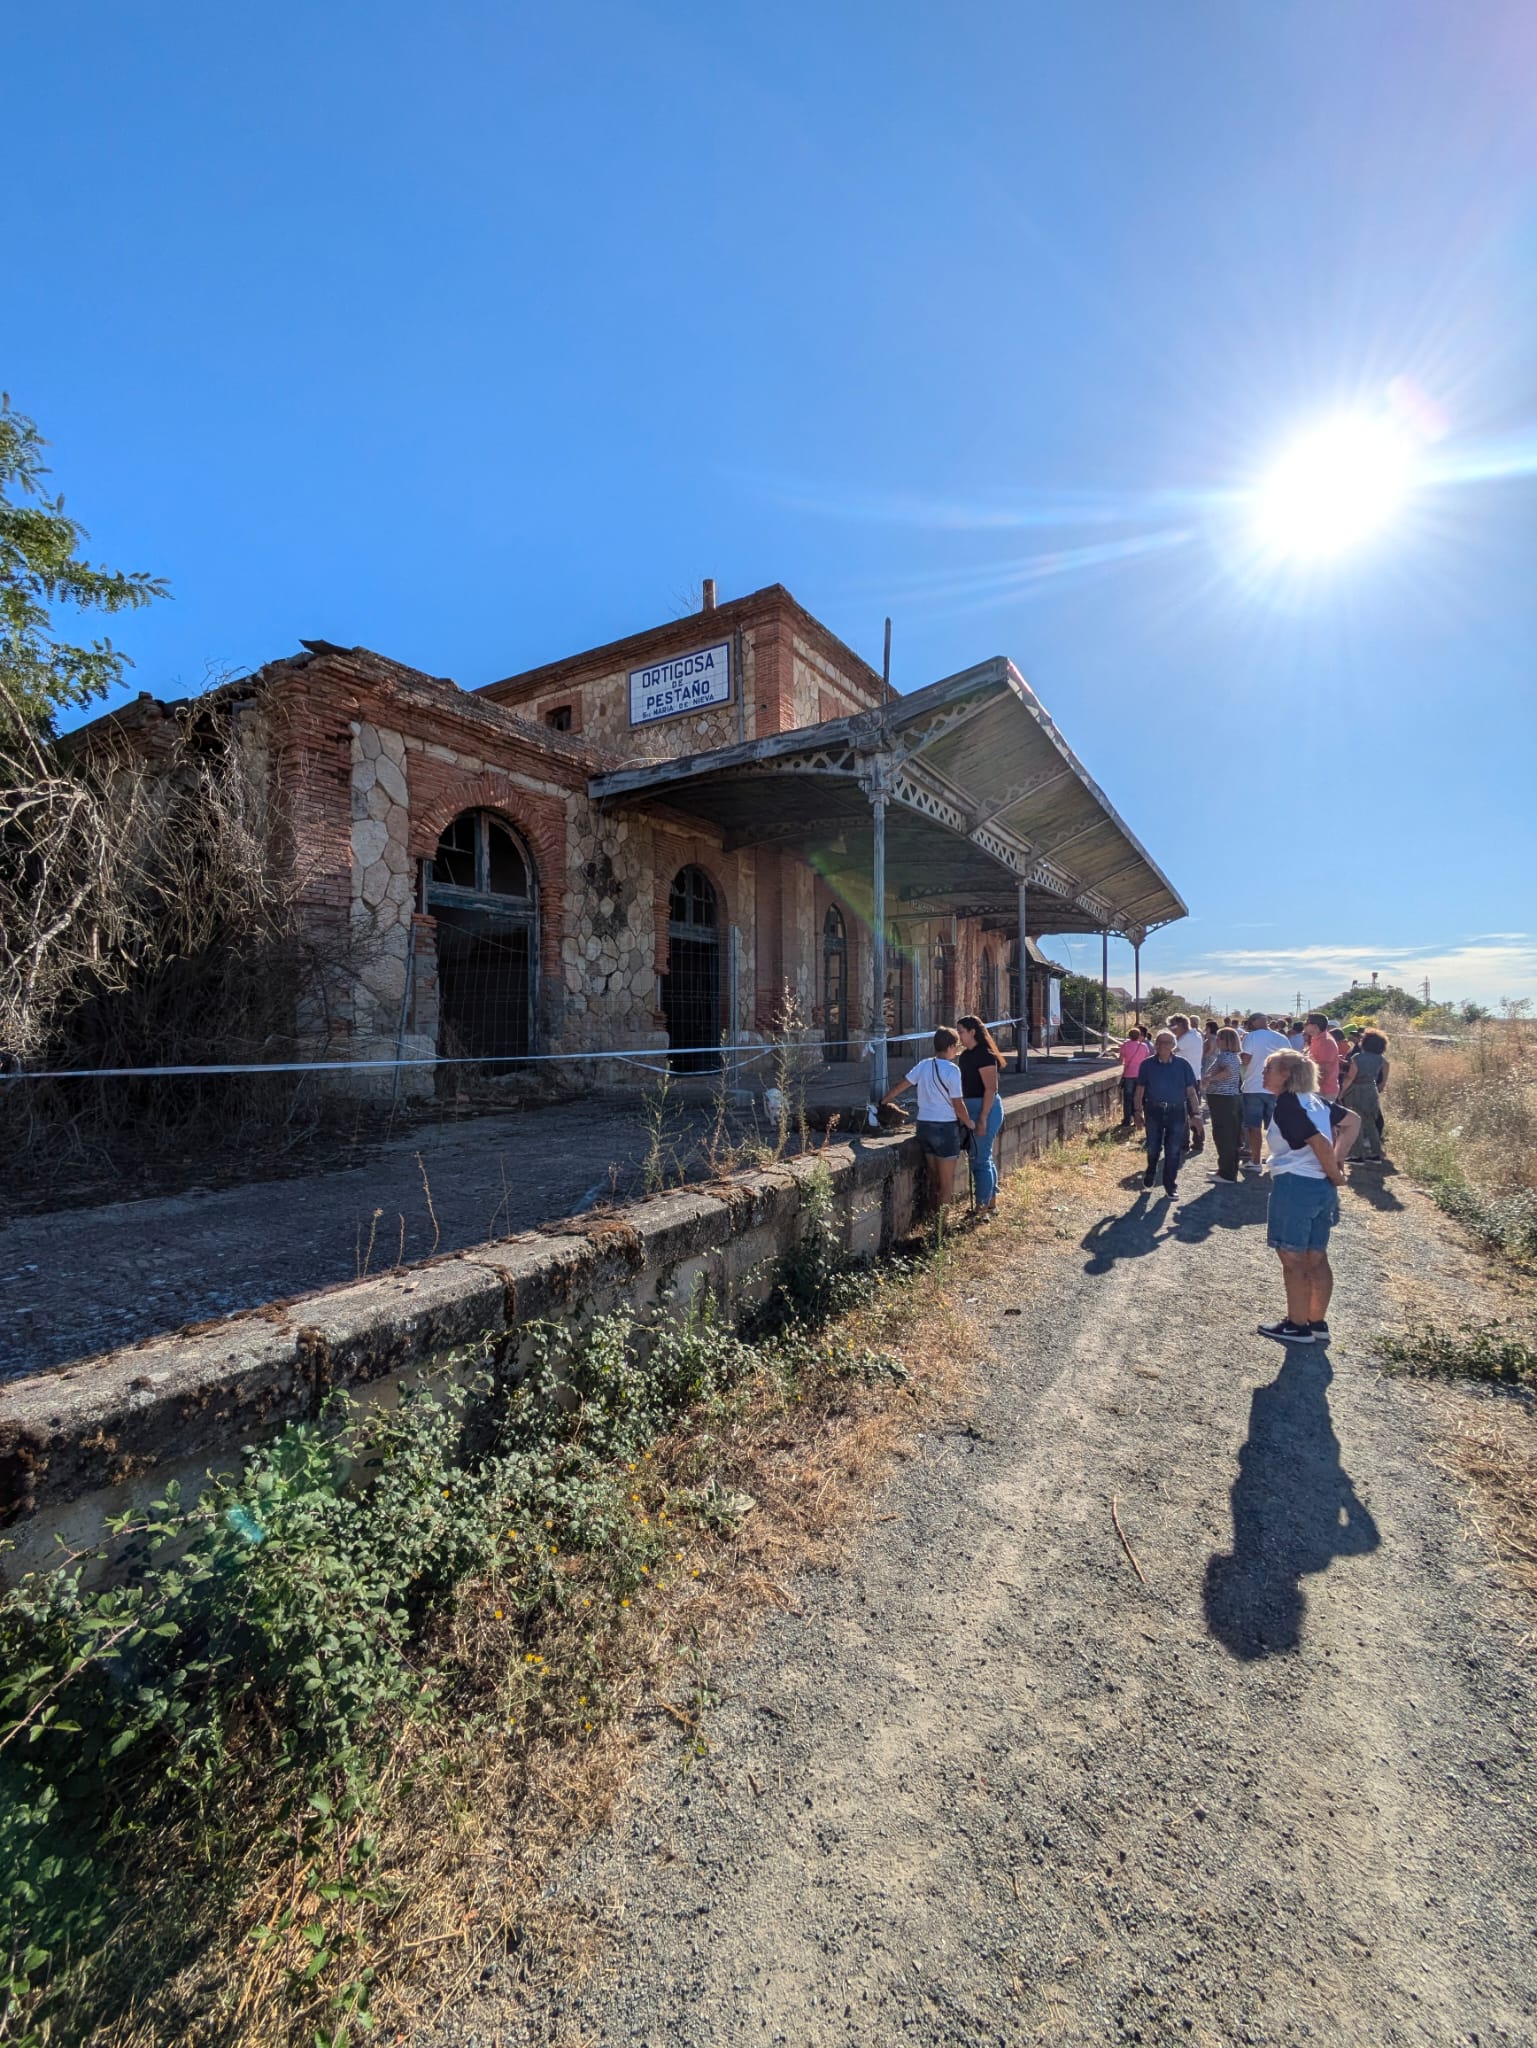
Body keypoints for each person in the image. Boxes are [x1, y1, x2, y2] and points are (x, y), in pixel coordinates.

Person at [1257, 1048, 1361, 1344]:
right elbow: (1352, 1121)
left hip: (1296, 1185)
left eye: (1269, 1069)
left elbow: (1317, 1142)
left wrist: (1336, 1172)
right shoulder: (1316, 1101)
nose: (1264, 1074)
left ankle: (1297, 1325)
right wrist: (1336, 1164)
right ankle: (1316, 1322)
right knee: (1316, 1257)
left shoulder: (1288, 1104)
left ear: (1286, 1074)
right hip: (1319, 1189)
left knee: (1292, 1258)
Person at [879, 1026, 977, 1211]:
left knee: (934, 1178)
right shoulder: (952, 1070)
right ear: (949, 1047)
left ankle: (932, 1215)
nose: (957, 1050)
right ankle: (942, 1225)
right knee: (946, 1183)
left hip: (924, 1127)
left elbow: (902, 1085)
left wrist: (884, 1100)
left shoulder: (924, 1065)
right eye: (956, 1046)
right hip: (945, 1129)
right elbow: (958, 1104)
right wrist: (969, 1122)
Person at [1133, 1029, 1201, 1198]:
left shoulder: (1183, 1065)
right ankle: (1151, 1169)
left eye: (1167, 1043)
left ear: (1173, 1046)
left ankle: (1170, 1185)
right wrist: (1137, 1112)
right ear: (1155, 1045)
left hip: (1177, 1110)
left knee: (1173, 1149)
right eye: (1160, 1042)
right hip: (1153, 1110)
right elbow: (1140, 1090)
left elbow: (1191, 1092)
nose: (1162, 1046)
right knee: (1153, 1146)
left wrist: (1196, 1114)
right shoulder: (1147, 1065)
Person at [956, 1014, 1005, 1217]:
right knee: (983, 1158)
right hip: (973, 1107)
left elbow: (990, 1089)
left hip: (986, 1108)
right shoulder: (967, 1055)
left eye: (961, 1032)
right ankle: (990, 1203)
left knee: (980, 1160)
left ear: (972, 1032)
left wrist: (983, 1118)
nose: (959, 1036)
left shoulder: (984, 1055)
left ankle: (981, 1208)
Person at [1239, 1011, 1290, 1170]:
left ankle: (1255, 1161)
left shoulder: (1252, 1037)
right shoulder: (1282, 1038)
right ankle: (1278, 1159)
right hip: (1277, 1087)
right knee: (1276, 1127)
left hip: (1254, 1085)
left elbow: (1246, 1059)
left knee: (1254, 1127)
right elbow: (1291, 1060)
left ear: (1254, 1022)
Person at [1339, 1028, 1390, 1164]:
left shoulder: (1357, 1058)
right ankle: (1376, 1154)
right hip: (1371, 1089)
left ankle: (1357, 1155)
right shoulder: (1380, 1059)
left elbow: (1350, 1077)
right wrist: (1382, 1084)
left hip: (1356, 1090)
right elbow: (1386, 1066)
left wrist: (1342, 1092)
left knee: (1356, 1121)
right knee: (1370, 1122)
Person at [1202, 1026, 1245, 1181]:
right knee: (1229, 1135)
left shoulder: (1226, 1057)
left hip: (1223, 1098)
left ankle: (1227, 1172)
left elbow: (1227, 1072)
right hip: (1227, 1098)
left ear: (1225, 1041)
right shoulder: (1231, 1055)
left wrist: (1210, 1079)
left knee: (1224, 1135)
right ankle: (1227, 1167)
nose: (1216, 1040)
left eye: (1219, 1038)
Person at [1117, 1024, 1152, 1129]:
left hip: (1128, 1075)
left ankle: (1127, 1120)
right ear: (1139, 1036)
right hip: (1141, 1075)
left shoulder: (1125, 1045)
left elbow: (1120, 1060)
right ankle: (1142, 1119)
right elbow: (1147, 1058)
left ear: (1129, 1035)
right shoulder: (1144, 1046)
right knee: (1140, 1098)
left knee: (1128, 1098)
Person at [1304, 1012, 1342, 1100]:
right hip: (1318, 1089)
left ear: (1315, 1027)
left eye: (1307, 1023)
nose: (1304, 1025)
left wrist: (1314, 1089)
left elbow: (1323, 1070)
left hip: (1323, 1091)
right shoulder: (1317, 1038)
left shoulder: (1325, 1042)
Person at [1170, 1014, 1205, 1090]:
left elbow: (1168, 1053)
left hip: (1185, 1078)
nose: (1171, 1030)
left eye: (1172, 1026)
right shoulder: (1196, 1034)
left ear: (1180, 1025)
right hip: (1194, 1076)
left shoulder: (1187, 1038)